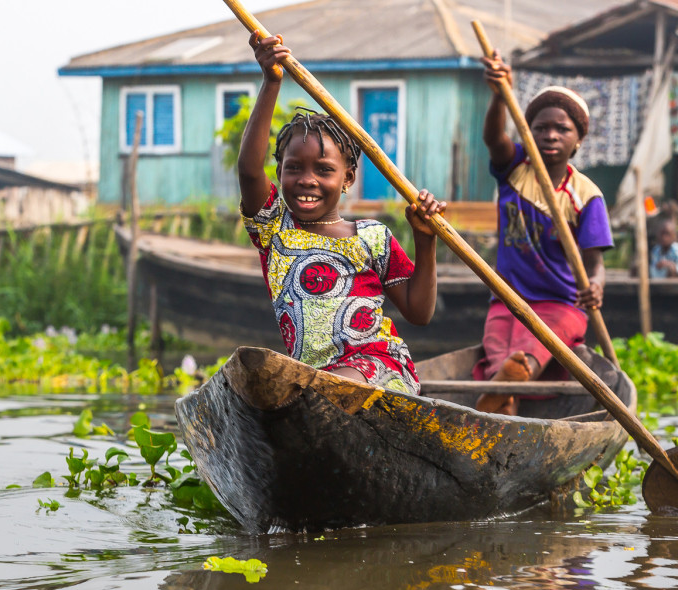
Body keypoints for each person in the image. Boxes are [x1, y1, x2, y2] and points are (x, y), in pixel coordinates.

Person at [238, 31, 445, 395]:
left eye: (323, 169)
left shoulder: (371, 236)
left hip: (380, 368)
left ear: (348, 178)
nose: (307, 180)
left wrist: (425, 240)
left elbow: (419, 312)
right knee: (304, 391)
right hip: (315, 380)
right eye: (294, 168)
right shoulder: (273, 228)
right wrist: (271, 82)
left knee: (323, 391)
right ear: (279, 172)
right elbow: (248, 171)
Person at [476, 51, 614, 415]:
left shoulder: (586, 195)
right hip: (507, 297)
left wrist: (596, 285)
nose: (550, 135)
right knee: (496, 352)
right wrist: (498, 93)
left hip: (561, 303)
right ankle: (502, 401)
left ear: (578, 140)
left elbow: (594, 263)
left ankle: (506, 389)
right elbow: (493, 137)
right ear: (528, 132)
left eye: (562, 129)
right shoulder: (515, 168)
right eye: (540, 127)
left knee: (529, 351)